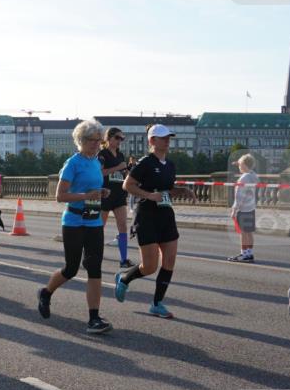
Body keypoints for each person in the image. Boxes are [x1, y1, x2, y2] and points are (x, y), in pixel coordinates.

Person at [36, 119, 113, 334]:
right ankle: (46, 292)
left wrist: (101, 193)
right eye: (92, 141)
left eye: (99, 141)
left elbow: (93, 189)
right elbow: (60, 196)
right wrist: (86, 195)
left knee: (95, 268)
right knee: (71, 268)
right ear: (81, 141)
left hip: (94, 219)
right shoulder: (72, 163)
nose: (97, 145)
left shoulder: (97, 162)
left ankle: (94, 318)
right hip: (73, 221)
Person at [115, 124, 196, 319]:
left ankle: (157, 303)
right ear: (152, 141)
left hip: (166, 216)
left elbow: (167, 190)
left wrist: (182, 191)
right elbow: (128, 185)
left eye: (169, 137)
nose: (167, 140)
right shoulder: (145, 162)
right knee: (149, 267)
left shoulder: (170, 165)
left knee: (169, 262)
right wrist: (149, 195)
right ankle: (125, 277)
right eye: (163, 138)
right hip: (147, 216)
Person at [99, 127, 132, 268]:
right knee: (99, 227)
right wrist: (118, 167)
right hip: (106, 194)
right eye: (117, 138)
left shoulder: (120, 155)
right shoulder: (102, 154)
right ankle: (93, 255)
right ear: (109, 138)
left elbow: (122, 174)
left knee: (123, 226)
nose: (120, 141)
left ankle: (124, 260)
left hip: (119, 194)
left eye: (122, 139)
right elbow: (100, 173)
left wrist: (128, 172)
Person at [228, 153, 259, 263]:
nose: (238, 167)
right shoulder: (253, 176)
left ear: (245, 165)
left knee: (243, 233)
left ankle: (244, 254)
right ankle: (249, 253)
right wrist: (241, 162)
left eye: (240, 165)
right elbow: (250, 170)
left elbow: (239, 196)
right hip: (251, 207)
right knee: (249, 232)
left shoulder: (243, 178)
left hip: (243, 208)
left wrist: (234, 209)